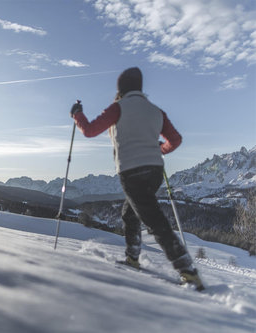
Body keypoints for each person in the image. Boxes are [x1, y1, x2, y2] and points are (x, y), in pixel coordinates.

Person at [70, 67, 203, 290]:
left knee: (153, 220)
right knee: (129, 213)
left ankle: (187, 270)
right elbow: (176, 140)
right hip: (154, 172)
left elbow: (90, 130)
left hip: (131, 171)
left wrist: (77, 114)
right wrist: (160, 149)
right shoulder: (155, 111)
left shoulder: (118, 108)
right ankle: (133, 257)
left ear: (120, 88)